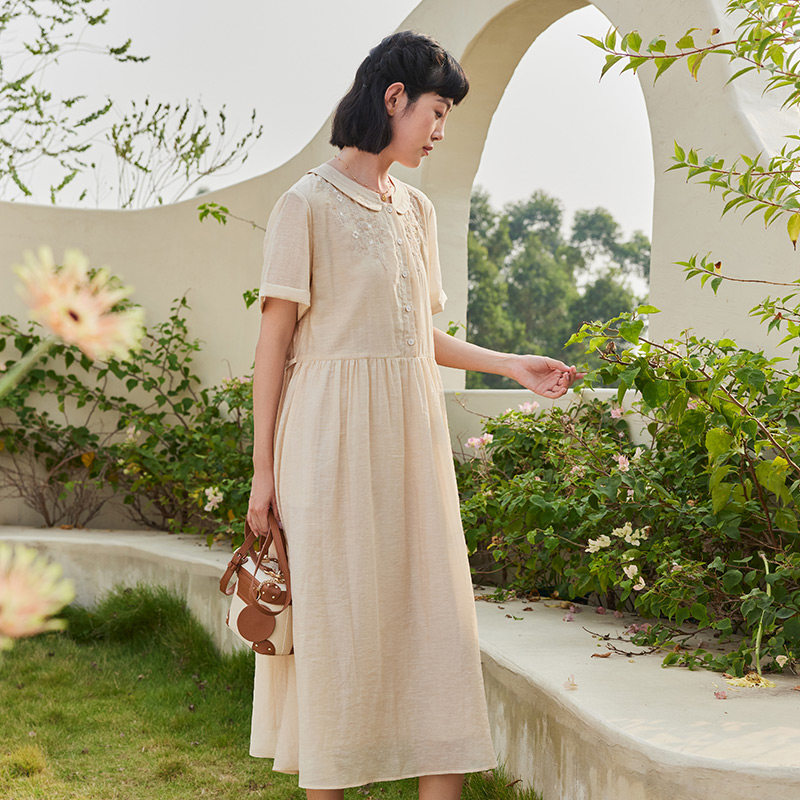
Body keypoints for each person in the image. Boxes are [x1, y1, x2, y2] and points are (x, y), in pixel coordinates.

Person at [246, 29, 581, 800]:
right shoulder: (305, 205)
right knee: (338, 627)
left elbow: (411, 334)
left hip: (412, 441)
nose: (439, 132)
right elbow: (273, 347)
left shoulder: (417, 212)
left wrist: (510, 364)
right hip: (327, 444)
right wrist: (263, 473)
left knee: (438, 625)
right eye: (436, 113)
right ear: (394, 98)